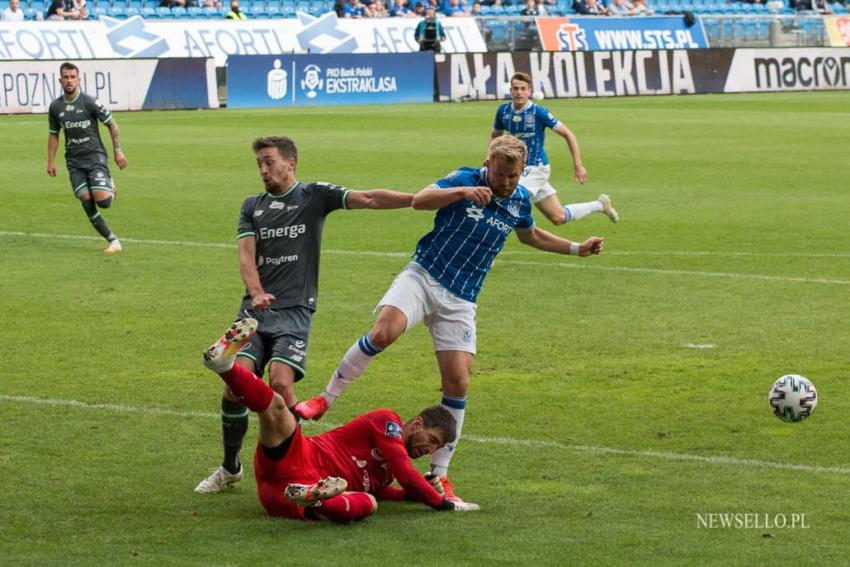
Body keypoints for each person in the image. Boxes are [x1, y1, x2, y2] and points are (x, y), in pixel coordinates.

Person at [296, 136, 604, 501]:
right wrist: (461, 192)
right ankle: (325, 399)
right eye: (501, 174)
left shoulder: (519, 198)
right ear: (487, 164)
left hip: (461, 298)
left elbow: (530, 235)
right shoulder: (464, 178)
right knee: (384, 332)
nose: (506, 182)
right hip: (424, 275)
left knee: (457, 382)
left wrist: (576, 249)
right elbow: (419, 201)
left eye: (514, 175)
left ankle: (439, 475)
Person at [194, 136, 415, 494]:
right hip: (254, 312)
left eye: (269, 162)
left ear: (290, 162)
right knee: (234, 388)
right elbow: (246, 258)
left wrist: (415, 200)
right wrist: (255, 293)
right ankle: (230, 466)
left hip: (295, 312)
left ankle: (299, 464)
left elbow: (368, 198)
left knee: (281, 385)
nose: (263, 170)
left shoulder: (313, 196)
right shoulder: (252, 206)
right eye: (259, 164)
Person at [200, 318, 480, 521]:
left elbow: (391, 489)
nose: (428, 451)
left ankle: (314, 496)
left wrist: (411, 495)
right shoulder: (387, 421)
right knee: (276, 405)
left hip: (280, 496)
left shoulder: (387, 474)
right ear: (416, 424)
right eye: (431, 440)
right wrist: (443, 503)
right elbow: (407, 474)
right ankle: (225, 366)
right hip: (300, 458)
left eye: (434, 448)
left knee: (369, 502)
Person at [492, 72, 618, 226]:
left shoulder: (539, 112)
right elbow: (496, 136)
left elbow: (568, 134)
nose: (519, 92)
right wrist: (492, 159)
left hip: (536, 167)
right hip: (519, 169)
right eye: (515, 88)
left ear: (530, 91)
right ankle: (600, 205)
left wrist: (578, 165)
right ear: (510, 90)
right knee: (558, 217)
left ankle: (496, 232)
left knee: (511, 196)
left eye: (523, 88)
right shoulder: (503, 111)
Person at [47, 62, 127, 254]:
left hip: (95, 157)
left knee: (104, 202)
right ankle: (113, 240)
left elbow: (112, 125)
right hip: (74, 161)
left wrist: (117, 150)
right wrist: (50, 160)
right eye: (65, 77)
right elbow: (54, 134)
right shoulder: (55, 106)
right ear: (60, 80)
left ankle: (109, 184)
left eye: (72, 77)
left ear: (78, 79)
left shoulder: (90, 102)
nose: (69, 81)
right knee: (84, 197)